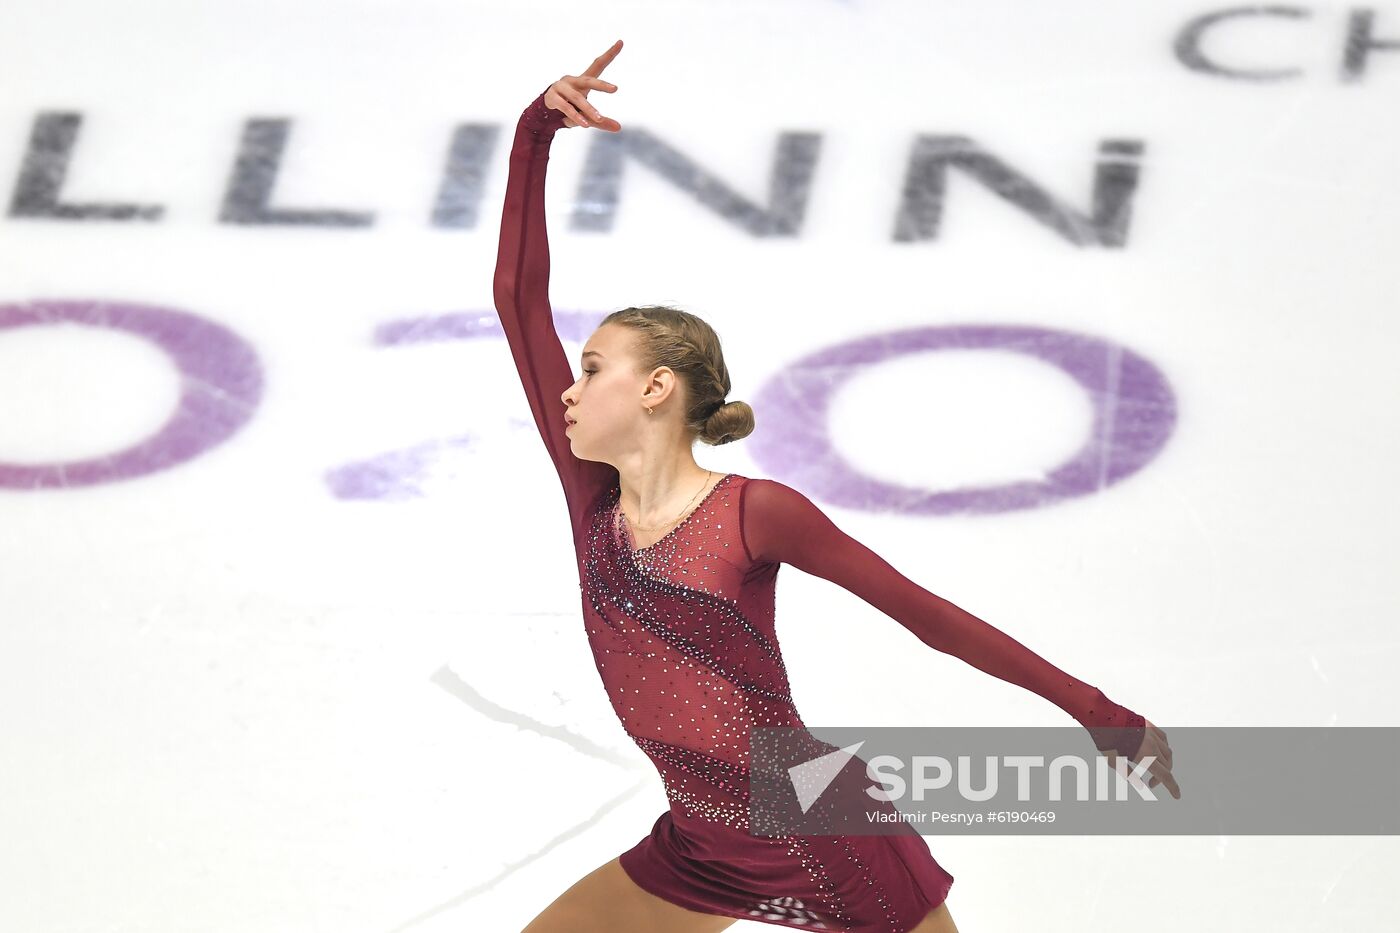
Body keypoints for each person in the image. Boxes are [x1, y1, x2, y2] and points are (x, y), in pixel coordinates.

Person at [492, 40, 1178, 933]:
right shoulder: (595, 501)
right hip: (701, 837)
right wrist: (535, 131)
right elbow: (516, 296)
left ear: (657, 388)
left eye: (593, 367)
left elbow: (924, 614)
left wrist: (1096, 711)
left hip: (817, 817)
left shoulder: (753, 514)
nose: (569, 389)